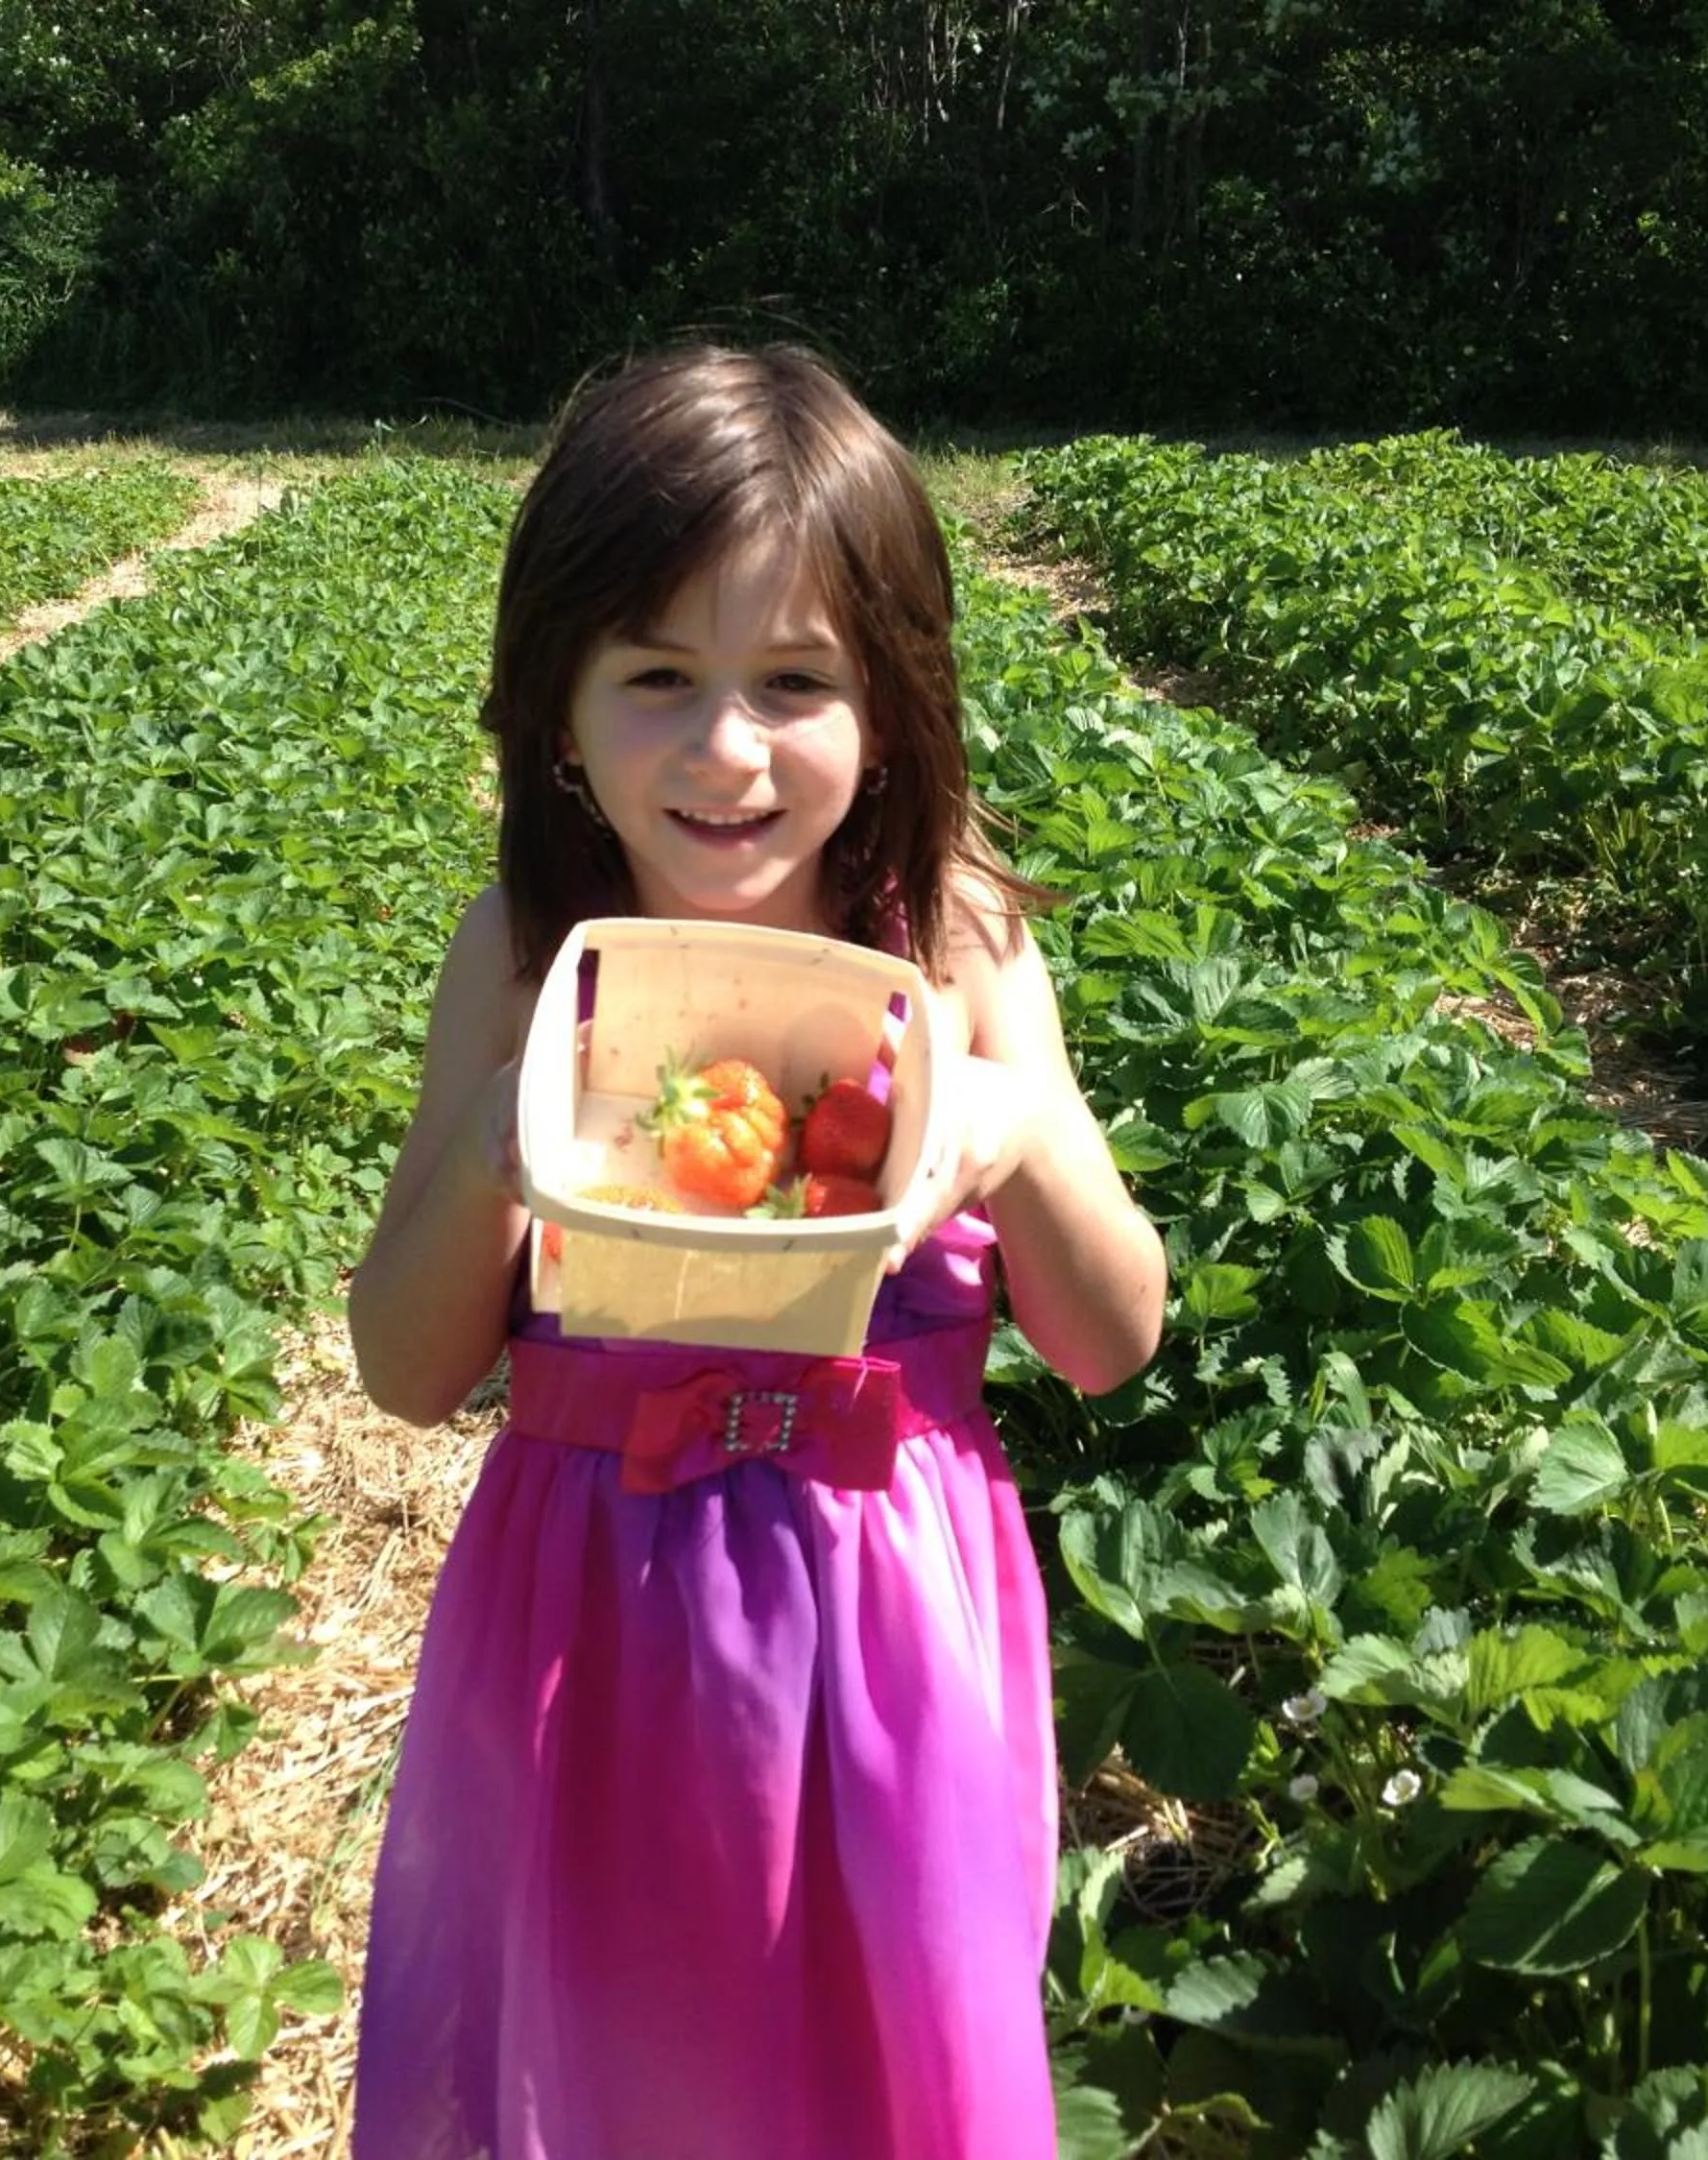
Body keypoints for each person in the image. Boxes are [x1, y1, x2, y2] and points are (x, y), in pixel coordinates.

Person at [345, 343, 1166, 2159]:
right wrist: (500, 1146)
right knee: (613, 2053)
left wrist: (1017, 1135)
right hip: (588, 1620)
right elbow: (405, 1365)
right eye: (657, 678)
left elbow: (1111, 1333)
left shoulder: (951, 940)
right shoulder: (525, 954)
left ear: (889, 701)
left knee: (889, 2063)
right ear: (558, 704)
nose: (727, 749)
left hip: (891, 1615)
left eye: (795, 681)